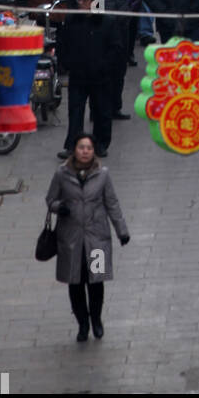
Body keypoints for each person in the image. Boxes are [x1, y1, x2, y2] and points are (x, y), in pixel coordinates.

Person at [46, 132, 129, 342]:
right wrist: (59, 207)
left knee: (96, 282)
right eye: (82, 148)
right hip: (71, 240)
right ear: (74, 150)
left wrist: (122, 230)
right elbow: (50, 199)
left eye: (89, 148)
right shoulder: (62, 174)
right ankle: (82, 323)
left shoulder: (103, 174)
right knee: (75, 283)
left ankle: (96, 320)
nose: (85, 152)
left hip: (97, 239)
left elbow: (112, 203)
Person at [56, 0, 123, 158]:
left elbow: (116, 48)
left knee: (102, 112)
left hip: (101, 76)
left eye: (89, 0)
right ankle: (72, 145)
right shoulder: (71, 21)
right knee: (75, 112)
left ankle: (101, 144)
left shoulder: (107, 22)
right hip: (78, 75)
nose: (84, 4)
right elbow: (62, 44)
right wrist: (66, 63)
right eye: (82, 0)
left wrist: (105, 66)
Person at [85, 0, 131, 121]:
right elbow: (95, 11)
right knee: (101, 73)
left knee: (119, 71)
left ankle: (115, 107)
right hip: (101, 33)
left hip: (120, 30)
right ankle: (97, 108)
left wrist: (125, 17)